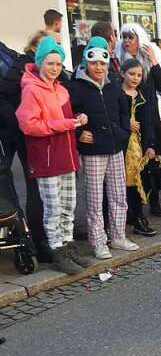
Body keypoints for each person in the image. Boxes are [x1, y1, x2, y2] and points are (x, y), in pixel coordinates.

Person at [15, 36, 89, 275]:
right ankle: (57, 250)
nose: (55, 69)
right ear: (39, 63)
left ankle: (68, 248)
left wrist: (78, 119)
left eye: (58, 64)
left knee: (69, 205)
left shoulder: (62, 90)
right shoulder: (31, 90)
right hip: (47, 159)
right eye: (50, 64)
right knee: (53, 208)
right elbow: (29, 125)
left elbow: (64, 120)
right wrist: (66, 124)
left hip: (67, 157)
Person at [69, 37, 138, 259]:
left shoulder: (113, 85)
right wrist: (79, 133)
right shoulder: (76, 87)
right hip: (92, 152)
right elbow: (67, 116)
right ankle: (98, 241)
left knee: (119, 194)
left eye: (102, 63)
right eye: (94, 63)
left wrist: (122, 134)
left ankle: (118, 235)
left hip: (115, 147)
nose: (98, 67)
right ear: (86, 63)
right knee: (95, 199)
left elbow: (122, 111)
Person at [0, 31, 49, 259]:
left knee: (31, 185)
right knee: (9, 184)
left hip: (19, 129)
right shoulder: (19, 62)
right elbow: (6, 88)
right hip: (10, 130)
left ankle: (32, 237)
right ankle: (23, 233)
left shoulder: (9, 54)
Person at [115, 23, 161, 214]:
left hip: (151, 113)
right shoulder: (119, 61)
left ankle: (154, 201)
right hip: (130, 115)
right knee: (131, 161)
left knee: (155, 152)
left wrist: (154, 61)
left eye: (131, 37)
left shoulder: (148, 60)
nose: (127, 41)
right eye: (125, 37)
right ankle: (133, 208)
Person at [120, 58, 158, 238]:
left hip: (139, 147)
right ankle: (124, 218)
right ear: (123, 74)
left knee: (139, 181)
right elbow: (112, 117)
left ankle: (139, 217)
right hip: (121, 147)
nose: (135, 78)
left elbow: (149, 122)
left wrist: (150, 144)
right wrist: (126, 123)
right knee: (121, 184)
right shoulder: (117, 94)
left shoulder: (143, 95)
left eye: (139, 75)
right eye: (132, 74)